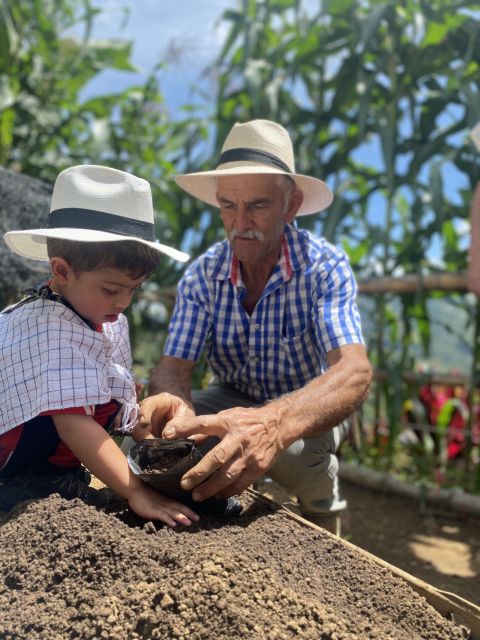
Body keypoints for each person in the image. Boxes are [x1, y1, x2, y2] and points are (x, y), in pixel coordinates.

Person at [135, 119, 372, 535]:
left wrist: (273, 424)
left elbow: (354, 371)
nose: (240, 221)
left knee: (295, 458)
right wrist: (174, 406)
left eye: (258, 205)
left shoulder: (324, 267)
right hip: (231, 394)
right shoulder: (203, 274)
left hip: (304, 401)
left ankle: (323, 505)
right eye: (229, 205)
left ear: (291, 205)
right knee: (152, 443)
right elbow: (175, 365)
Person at [0, 164, 200, 528]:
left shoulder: (103, 317)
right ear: (61, 271)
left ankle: (56, 478)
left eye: (133, 289)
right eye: (111, 289)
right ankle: (31, 487)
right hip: (11, 463)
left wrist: (148, 438)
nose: (124, 302)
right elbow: (74, 425)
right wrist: (135, 491)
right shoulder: (47, 324)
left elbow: (117, 394)